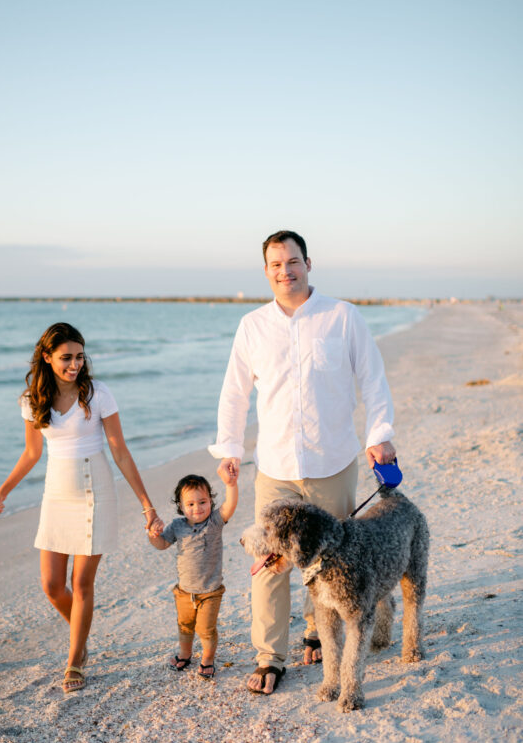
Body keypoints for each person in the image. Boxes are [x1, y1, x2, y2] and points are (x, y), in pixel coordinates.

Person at [209, 230, 396, 694]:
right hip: (275, 467)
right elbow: (234, 392)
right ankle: (271, 657)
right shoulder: (253, 326)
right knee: (270, 563)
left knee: (333, 562)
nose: (284, 271)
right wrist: (229, 448)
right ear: (266, 271)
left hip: (332, 461)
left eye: (292, 261)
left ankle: (318, 630)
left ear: (308, 263)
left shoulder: (343, 316)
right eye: (275, 264)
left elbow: (373, 379)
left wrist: (380, 436)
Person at [0, 322, 158, 694]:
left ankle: (74, 659)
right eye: (66, 357)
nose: (75, 364)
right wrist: (3, 489)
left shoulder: (98, 394)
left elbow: (119, 450)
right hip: (56, 495)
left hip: (94, 491)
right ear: (47, 357)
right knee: (52, 585)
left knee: (81, 583)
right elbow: (32, 453)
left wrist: (146, 504)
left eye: (79, 357)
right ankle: (80, 638)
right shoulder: (31, 400)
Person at [147, 472, 238, 679]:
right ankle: (185, 653)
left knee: (205, 629)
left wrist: (231, 484)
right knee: (185, 626)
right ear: (181, 506)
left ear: (211, 501)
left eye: (203, 502)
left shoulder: (214, 521)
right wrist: (152, 534)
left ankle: (207, 658)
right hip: (184, 591)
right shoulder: (177, 526)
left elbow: (230, 505)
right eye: (190, 504)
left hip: (210, 591)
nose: (197, 508)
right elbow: (162, 544)